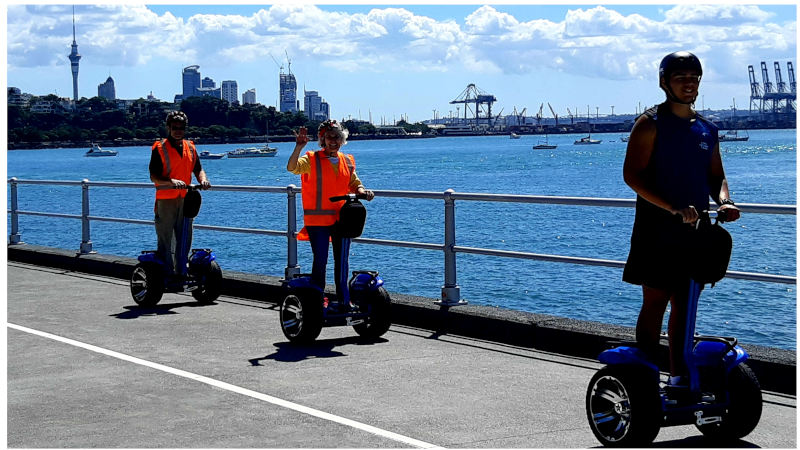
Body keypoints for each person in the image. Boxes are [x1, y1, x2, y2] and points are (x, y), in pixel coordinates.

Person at [622, 51, 741, 386]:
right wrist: (672, 207)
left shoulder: (707, 129)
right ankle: (643, 374)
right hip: (656, 230)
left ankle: (678, 376)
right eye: (680, 78)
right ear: (664, 82)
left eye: (694, 78)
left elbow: (715, 176)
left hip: (696, 231)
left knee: (686, 304)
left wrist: (725, 202)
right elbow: (633, 176)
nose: (689, 84)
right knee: (655, 300)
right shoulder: (650, 124)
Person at [287, 119, 374, 306]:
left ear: (342, 139)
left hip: (343, 219)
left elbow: (354, 183)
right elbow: (292, 167)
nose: (333, 141)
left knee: (342, 263)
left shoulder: (348, 161)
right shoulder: (311, 159)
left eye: (336, 137)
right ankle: (317, 300)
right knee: (321, 261)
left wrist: (362, 192)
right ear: (322, 140)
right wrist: (299, 147)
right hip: (318, 222)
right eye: (329, 137)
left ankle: (344, 300)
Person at [149, 111, 211, 276]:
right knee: (165, 239)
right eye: (174, 127)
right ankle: (167, 273)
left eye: (181, 128)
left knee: (185, 238)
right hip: (166, 200)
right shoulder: (160, 148)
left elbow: (198, 168)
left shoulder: (190, 147)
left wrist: (203, 180)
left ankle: (182, 271)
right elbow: (153, 176)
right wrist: (171, 182)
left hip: (186, 199)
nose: (178, 131)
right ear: (168, 127)